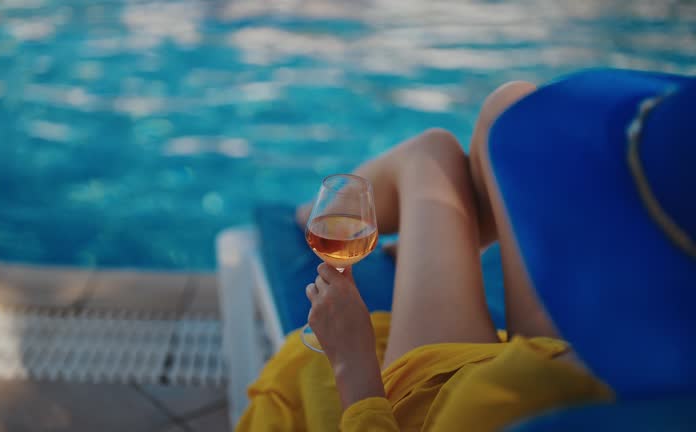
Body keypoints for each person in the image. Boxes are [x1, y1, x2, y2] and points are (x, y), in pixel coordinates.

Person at [237, 69, 696, 431]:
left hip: (451, 398)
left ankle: (306, 218)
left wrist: (352, 363)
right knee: (508, 106)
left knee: (430, 155)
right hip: (581, 361)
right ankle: (436, 247)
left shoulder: (492, 419)